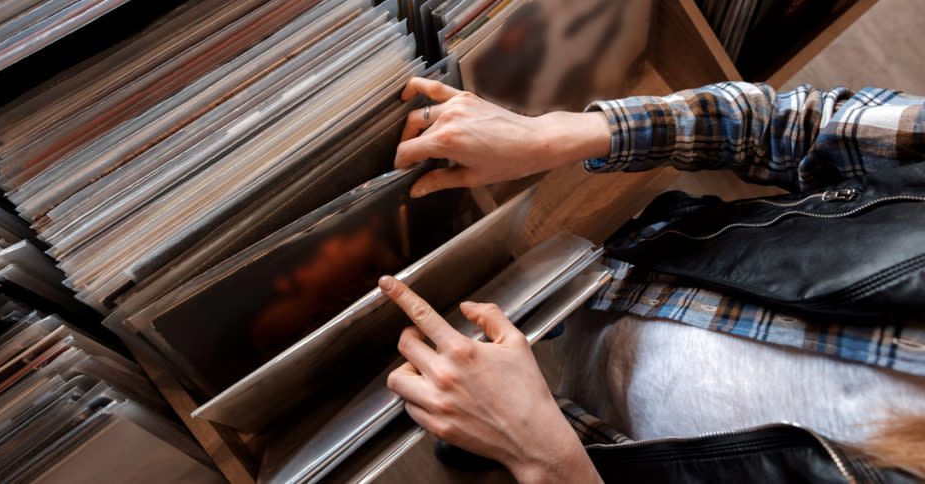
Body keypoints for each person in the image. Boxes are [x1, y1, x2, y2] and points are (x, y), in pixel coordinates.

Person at [381, 77, 925, 483]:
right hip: (628, 264)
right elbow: (794, 123)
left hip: (581, 443)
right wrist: (551, 133)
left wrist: (541, 456)